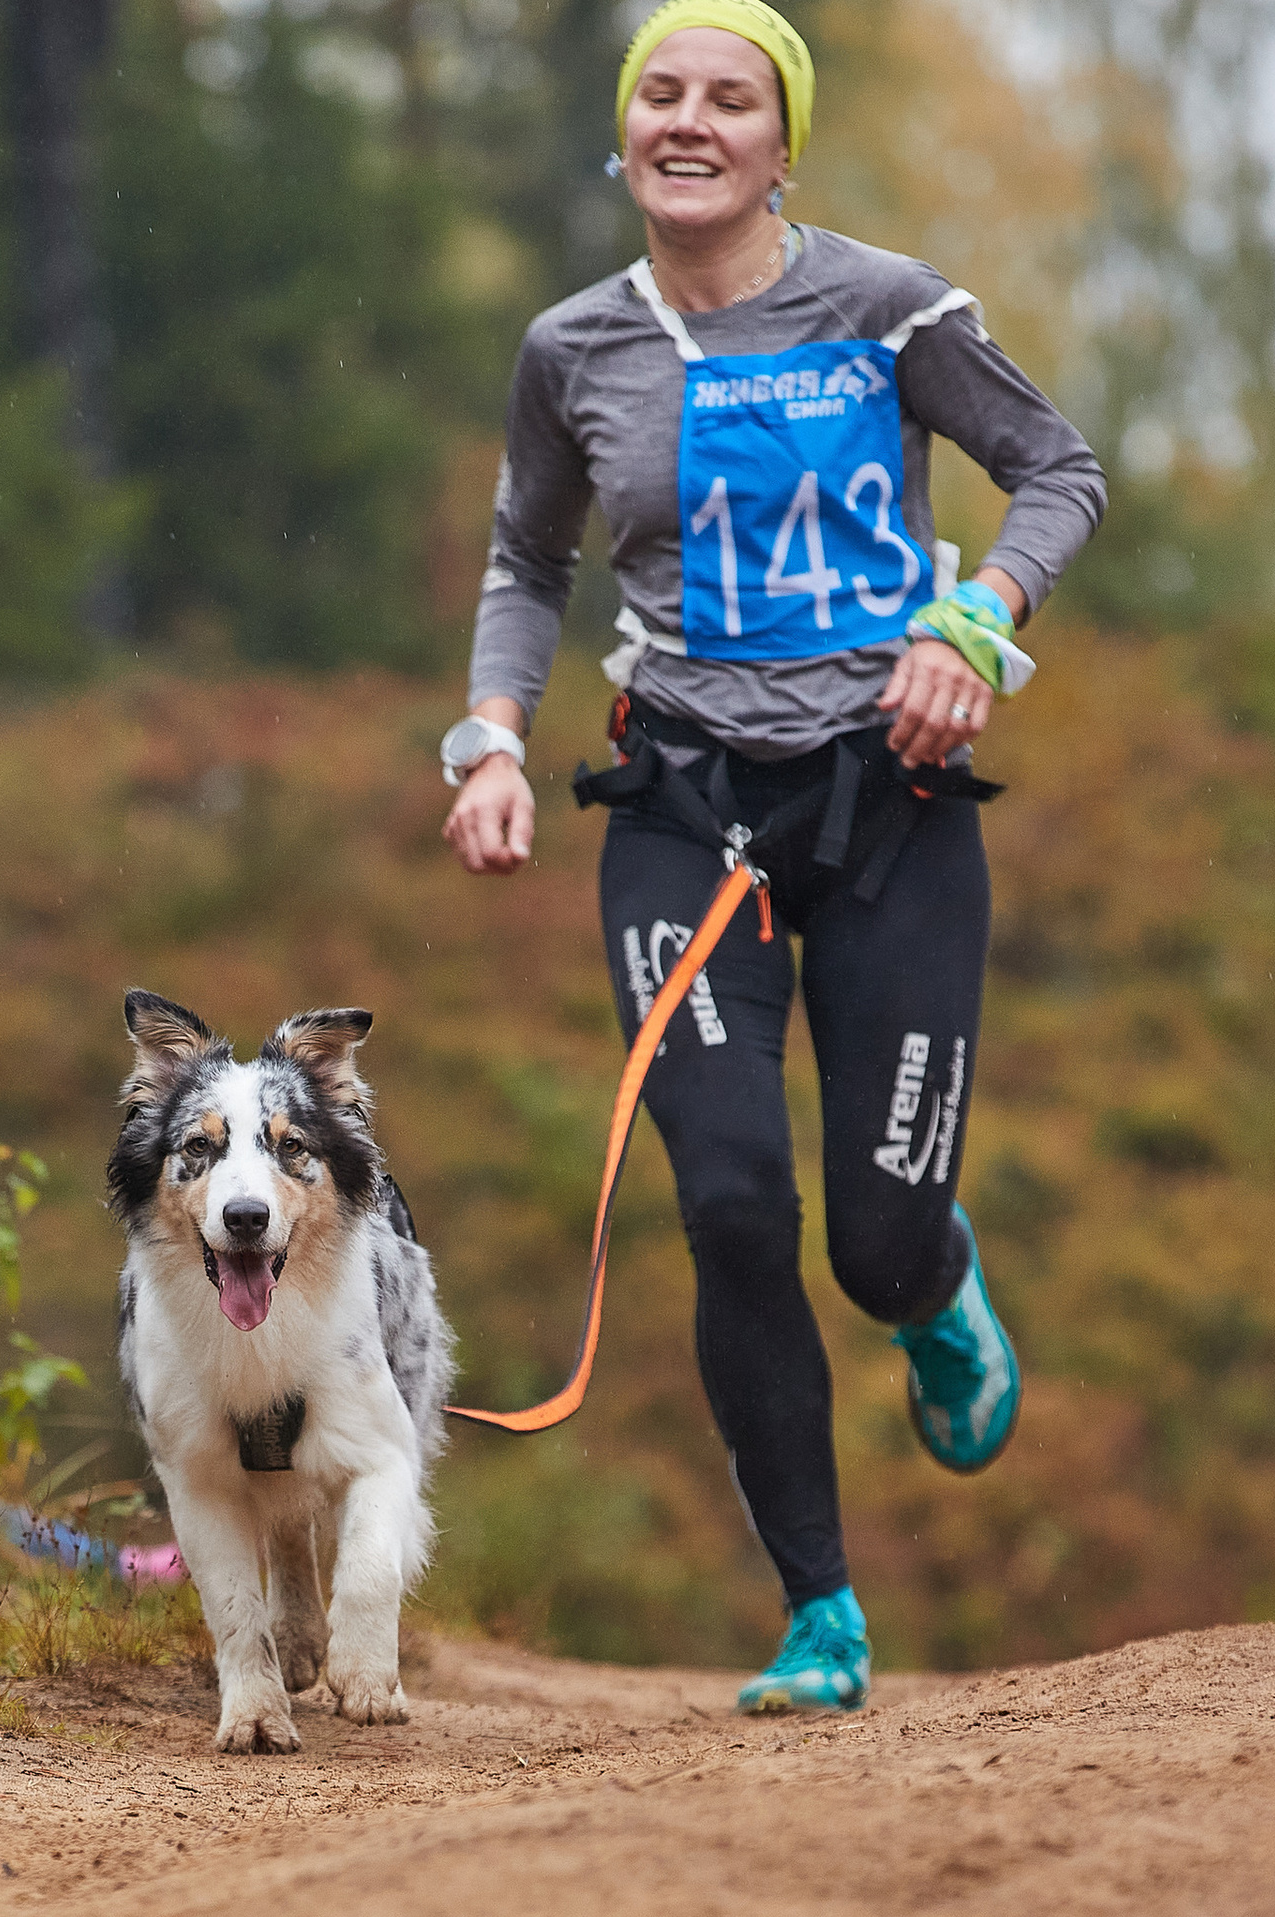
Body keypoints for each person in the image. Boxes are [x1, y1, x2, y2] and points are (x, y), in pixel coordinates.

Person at [441, 0, 1103, 1714]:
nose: (688, 120)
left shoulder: (891, 308)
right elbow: (527, 560)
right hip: (681, 814)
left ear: (779, 143)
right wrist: (493, 742)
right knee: (733, 1204)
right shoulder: (572, 347)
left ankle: (937, 1291)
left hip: (890, 807)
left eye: (729, 99)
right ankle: (820, 1612)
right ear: (625, 128)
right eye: (660, 91)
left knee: (871, 1244)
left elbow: (1055, 471)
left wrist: (973, 623)